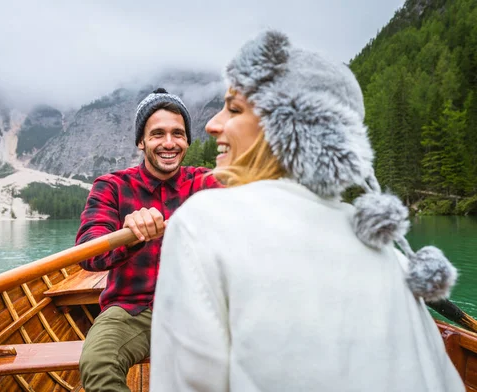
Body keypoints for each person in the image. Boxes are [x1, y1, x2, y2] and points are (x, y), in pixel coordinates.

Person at [150, 31, 464, 391]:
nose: (211, 124)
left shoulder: (202, 224)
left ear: (287, 128)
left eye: (234, 109)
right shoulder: (387, 252)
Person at [75, 87, 219, 392]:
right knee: (98, 363)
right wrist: (128, 237)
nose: (169, 143)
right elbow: (88, 255)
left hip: (200, 308)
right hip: (133, 309)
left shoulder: (208, 184)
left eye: (177, 134)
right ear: (141, 141)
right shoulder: (112, 187)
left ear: (187, 141)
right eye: (157, 134)